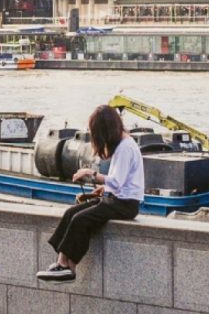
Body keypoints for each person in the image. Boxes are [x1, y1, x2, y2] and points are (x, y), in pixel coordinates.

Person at [36, 104, 144, 283]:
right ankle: (63, 264)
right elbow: (122, 181)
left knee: (81, 219)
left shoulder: (125, 147)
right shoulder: (124, 144)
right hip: (118, 199)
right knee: (72, 212)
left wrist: (90, 174)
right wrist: (103, 189)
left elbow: (117, 181)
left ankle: (67, 267)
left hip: (125, 204)